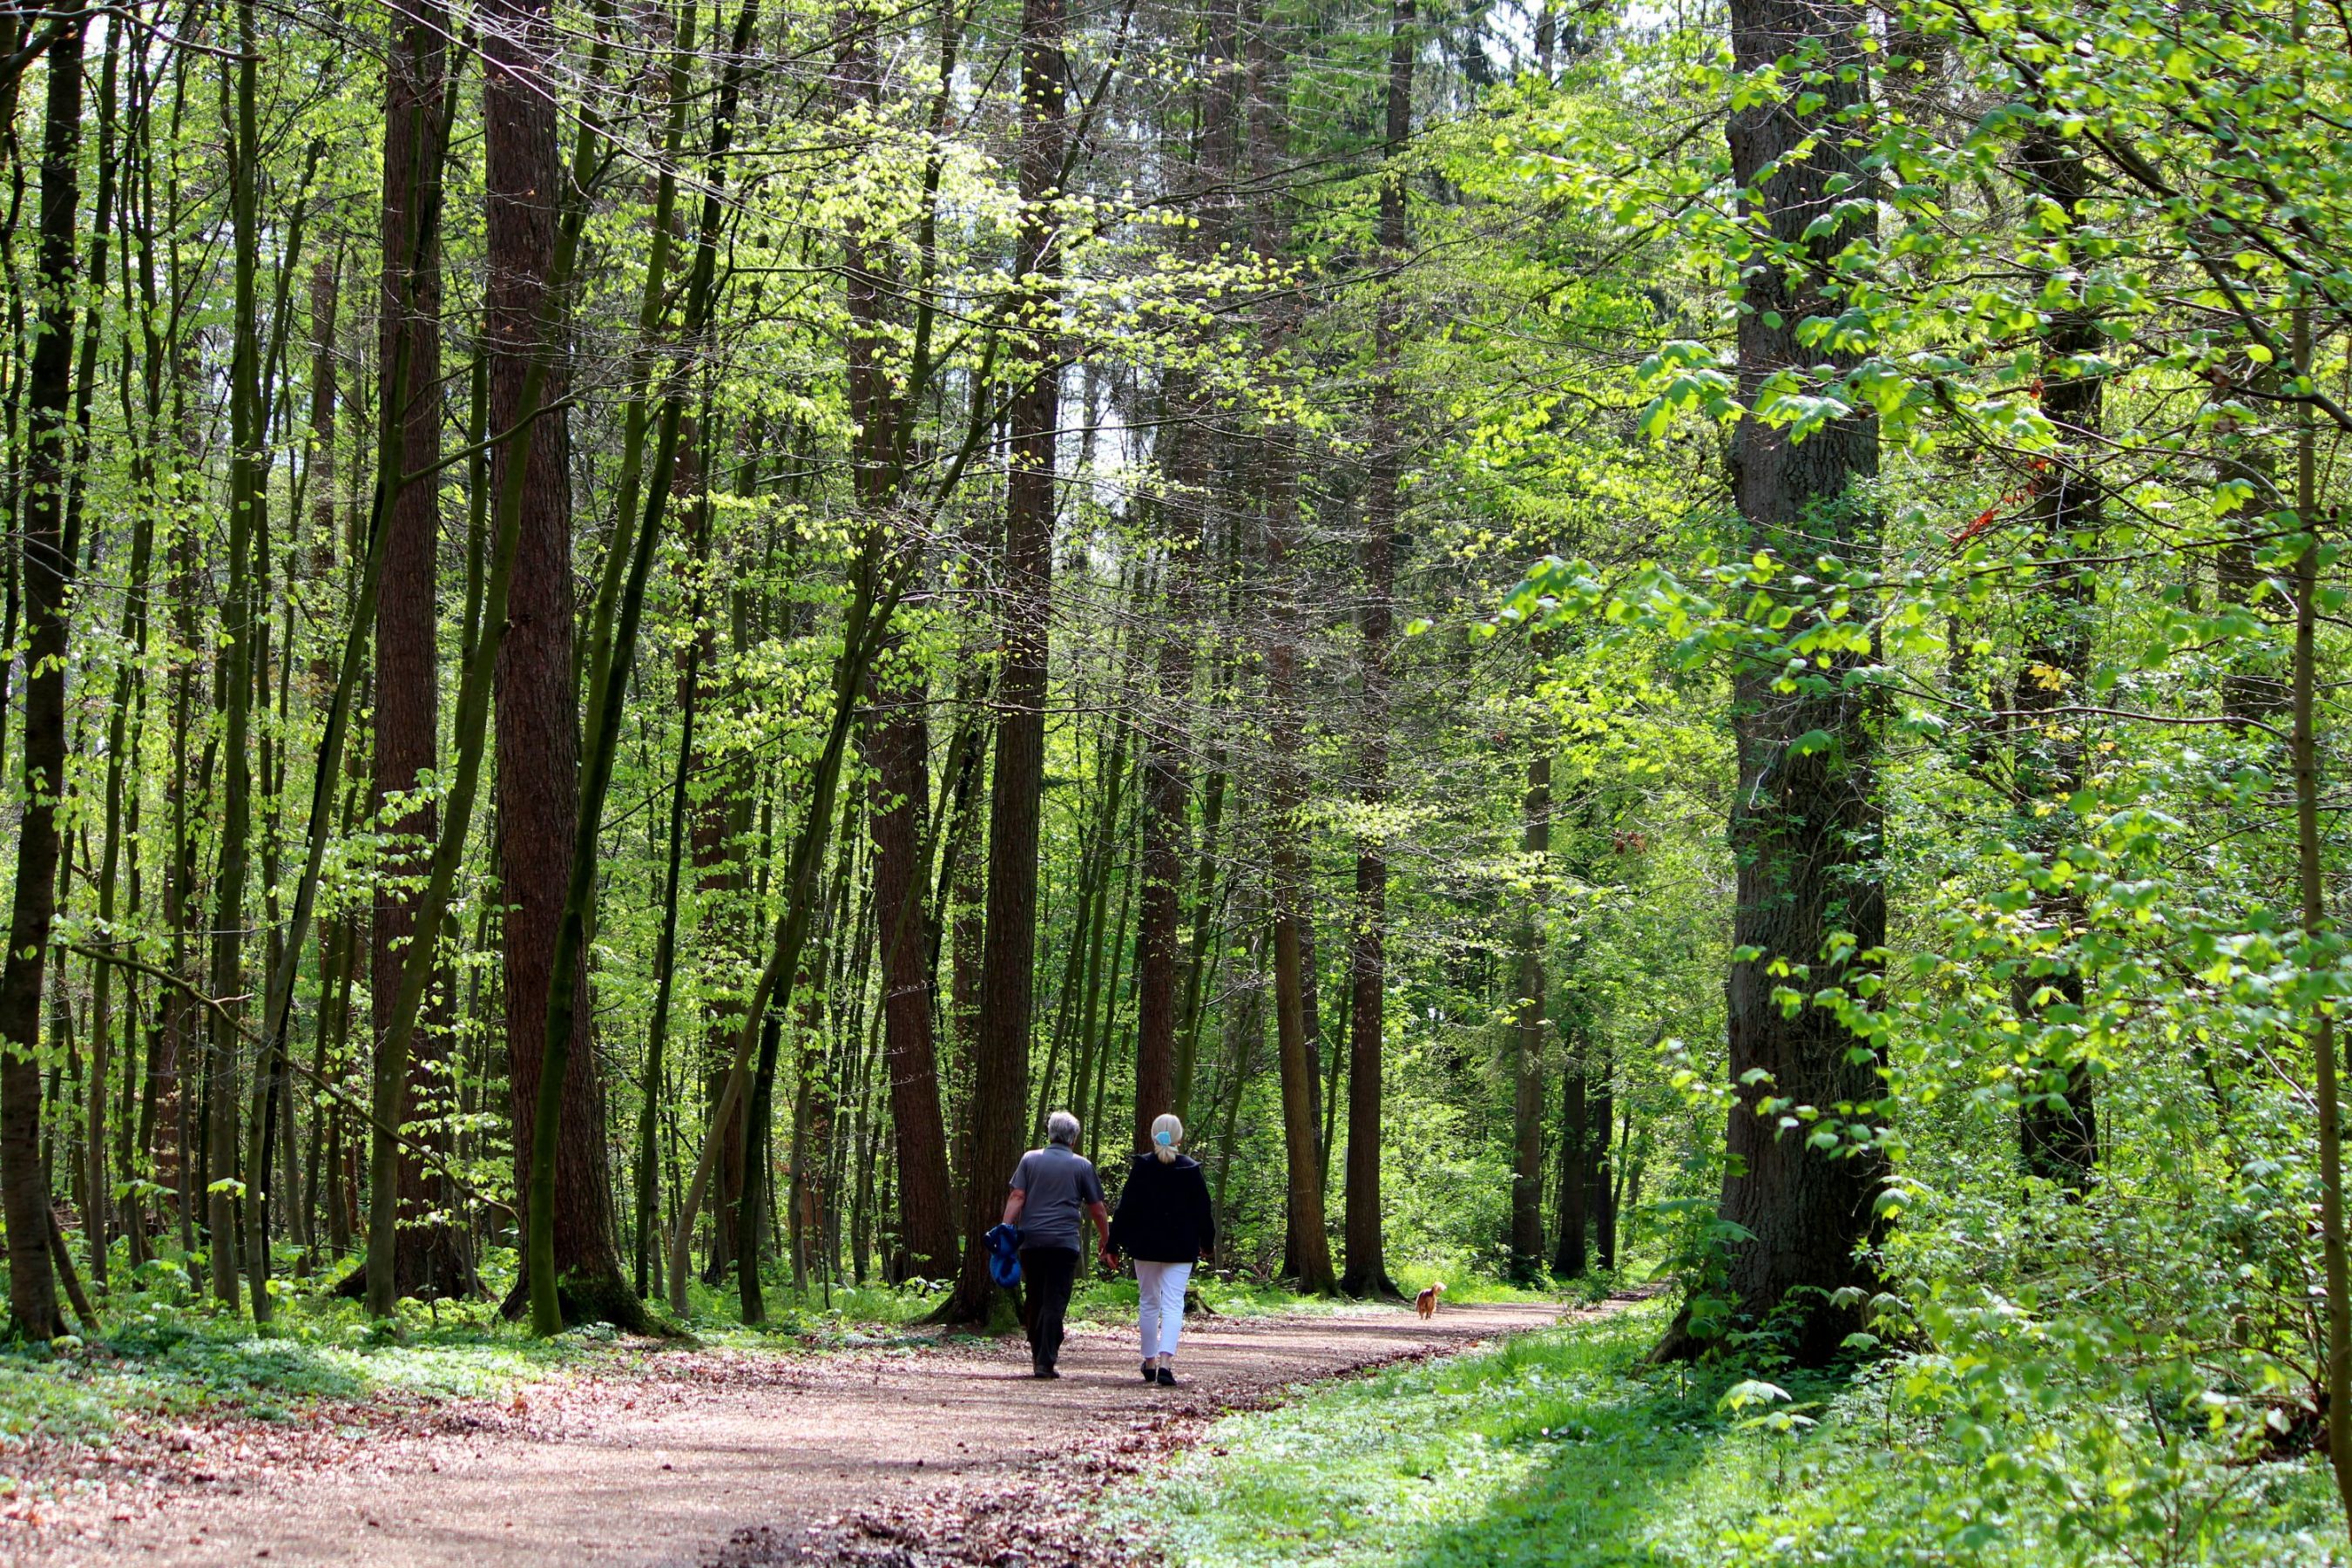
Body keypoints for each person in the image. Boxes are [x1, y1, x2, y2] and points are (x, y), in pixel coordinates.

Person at [1105, 1112, 1215, 1387]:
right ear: (1179, 1137)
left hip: (1145, 1247)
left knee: (1149, 1302)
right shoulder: (1190, 1169)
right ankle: (1166, 1362)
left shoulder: (1142, 1167)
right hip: (1181, 1248)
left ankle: (1150, 1360)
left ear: (1153, 1135)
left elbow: (1124, 1209)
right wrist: (1207, 1243)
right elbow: (1204, 1210)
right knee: (1173, 1303)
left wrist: (1113, 1243)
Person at [1003, 1109, 1110, 1378]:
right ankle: (1045, 1360)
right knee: (1055, 1301)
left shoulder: (1030, 1159)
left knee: (1035, 1298)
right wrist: (1106, 1240)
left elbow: (1017, 1195)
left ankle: (1038, 1354)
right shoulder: (1082, 1165)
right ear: (1073, 1139)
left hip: (1032, 1241)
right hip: (1064, 1244)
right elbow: (1097, 1209)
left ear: (1050, 1133)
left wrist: (1005, 1228)